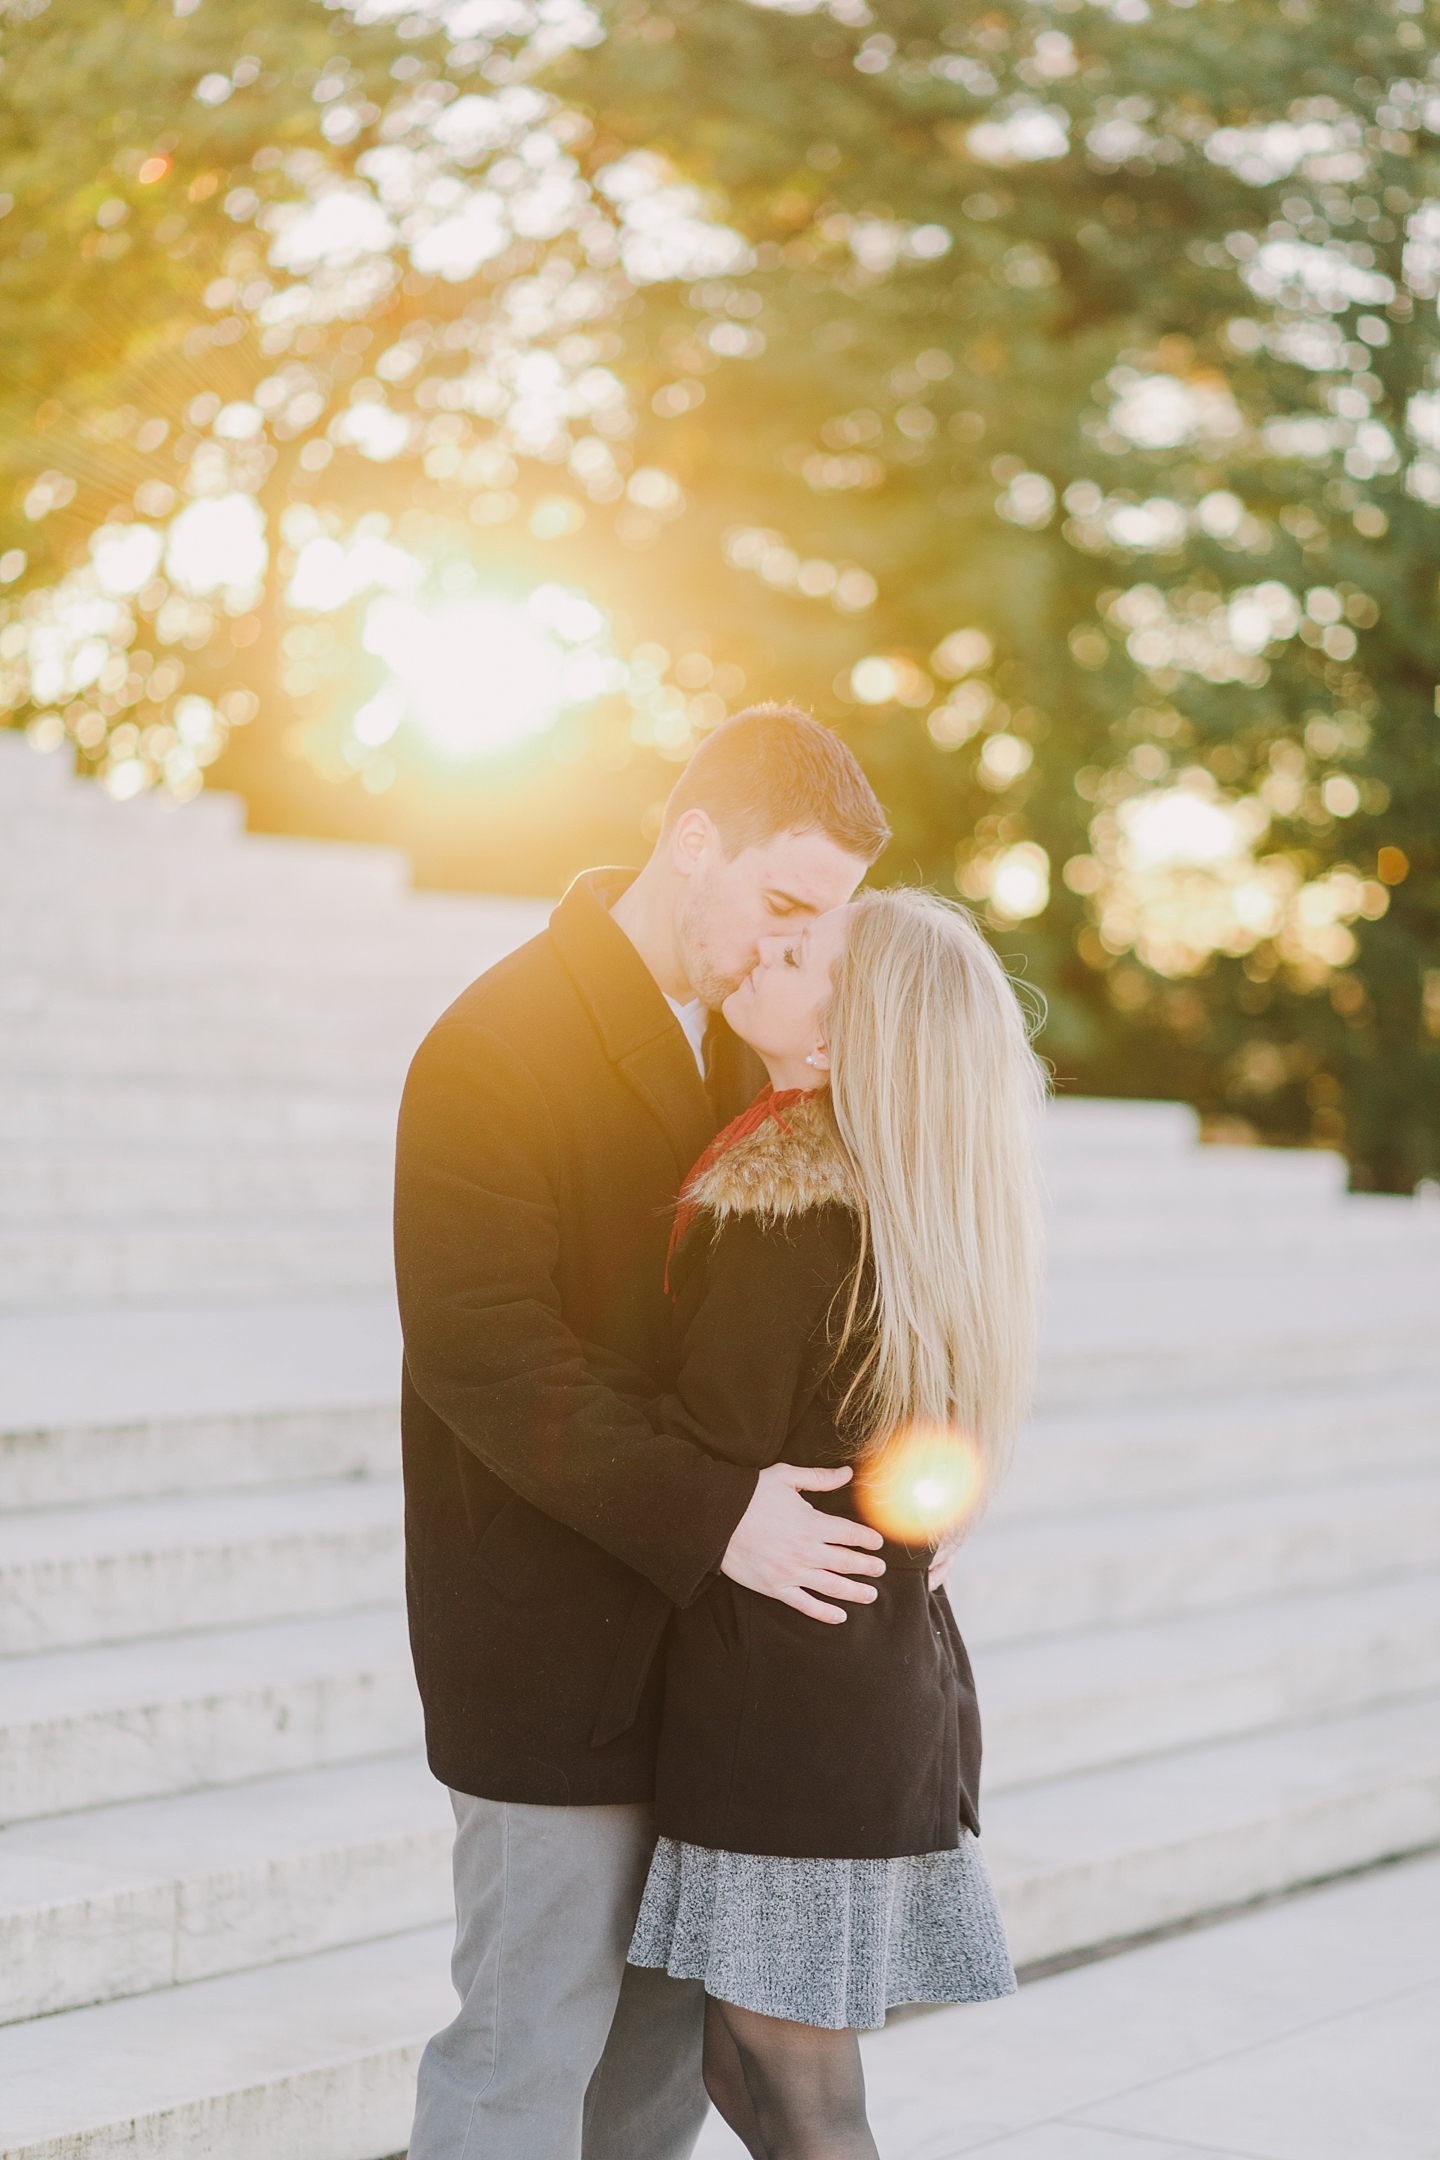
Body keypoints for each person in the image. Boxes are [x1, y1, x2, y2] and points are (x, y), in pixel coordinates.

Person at [394, 706, 892, 2159]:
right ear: (691, 843)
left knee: (655, 2082)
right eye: (783, 903)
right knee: (522, 2051)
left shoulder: (764, 1040)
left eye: (826, 920)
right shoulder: (492, 1043)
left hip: (723, 1676)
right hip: (553, 1653)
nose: (796, 949)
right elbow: (487, 1354)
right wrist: (725, 1514)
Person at [626, 888, 1045, 2160]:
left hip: (790, 1715)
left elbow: (709, 1429)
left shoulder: (788, 1215)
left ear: (842, 1040)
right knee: (745, 2071)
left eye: (801, 954)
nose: (765, 949)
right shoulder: (900, 1208)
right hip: (857, 1693)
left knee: (803, 2099)